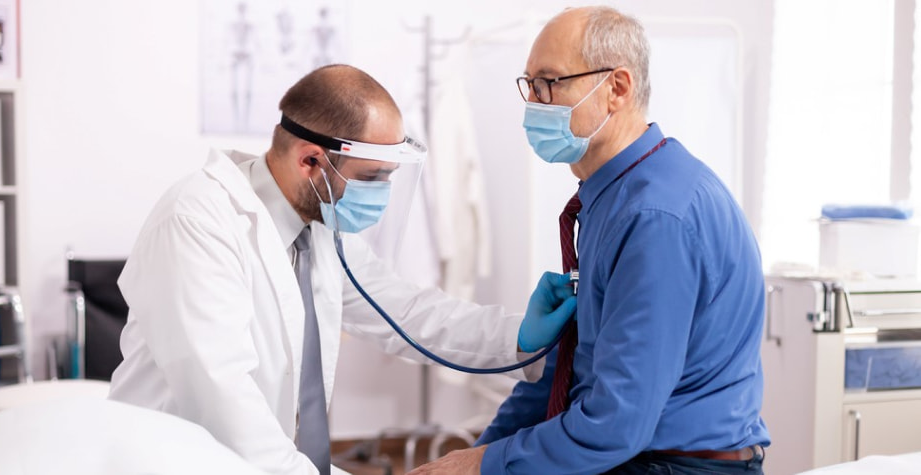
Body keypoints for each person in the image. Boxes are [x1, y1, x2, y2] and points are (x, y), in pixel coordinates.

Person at [108, 64, 577, 475]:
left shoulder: (318, 229)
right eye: (372, 178)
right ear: (311, 160)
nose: (382, 195)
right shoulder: (197, 222)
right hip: (175, 461)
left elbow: (406, 312)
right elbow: (225, 403)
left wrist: (518, 339)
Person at [409, 6, 769, 475]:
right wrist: (475, 455)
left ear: (616, 88)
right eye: (530, 85)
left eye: (550, 83)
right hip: (631, 455)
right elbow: (566, 373)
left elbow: (617, 423)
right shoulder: (614, 196)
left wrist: (483, 464)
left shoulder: (656, 217)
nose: (534, 102)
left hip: (675, 466)